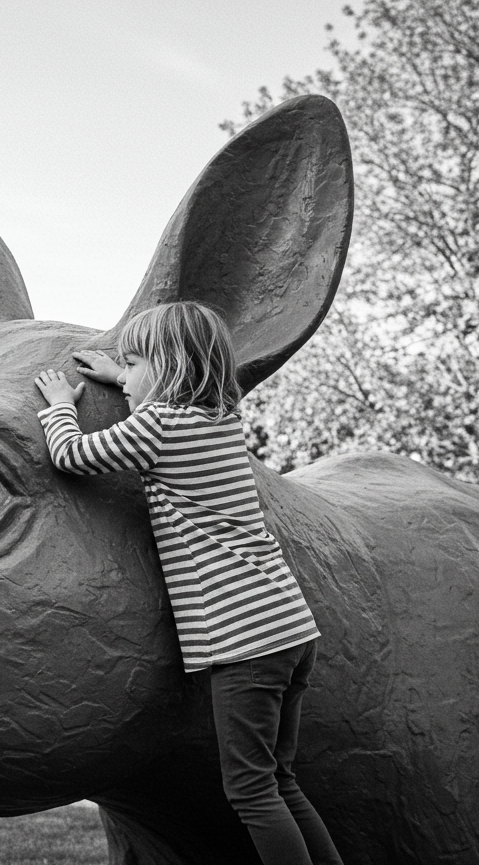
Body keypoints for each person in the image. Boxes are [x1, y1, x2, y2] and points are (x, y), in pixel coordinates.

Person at [33, 302, 343, 865]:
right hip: (291, 628)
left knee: (250, 790)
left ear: (169, 367)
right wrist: (121, 374)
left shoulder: (158, 427)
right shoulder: (220, 423)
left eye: (134, 364)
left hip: (245, 638)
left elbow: (72, 456)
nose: (123, 379)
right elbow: (152, 390)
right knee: (282, 780)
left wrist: (60, 407)